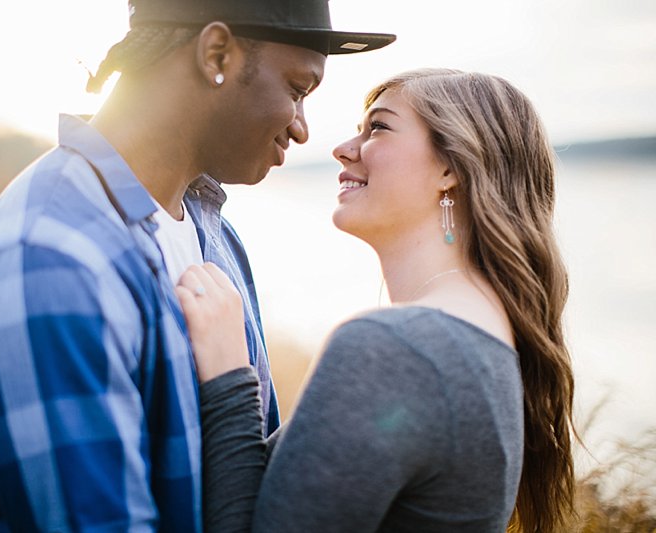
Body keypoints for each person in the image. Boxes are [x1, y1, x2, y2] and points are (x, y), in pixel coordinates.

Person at [0, 0, 395, 531]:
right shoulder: (48, 260)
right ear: (216, 52)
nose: (301, 130)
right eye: (297, 91)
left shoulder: (214, 232)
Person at [178, 68, 576, 532]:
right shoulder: (486, 336)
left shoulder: (399, 349)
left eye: (378, 127)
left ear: (451, 168)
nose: (343, 148)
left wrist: (229, 374)